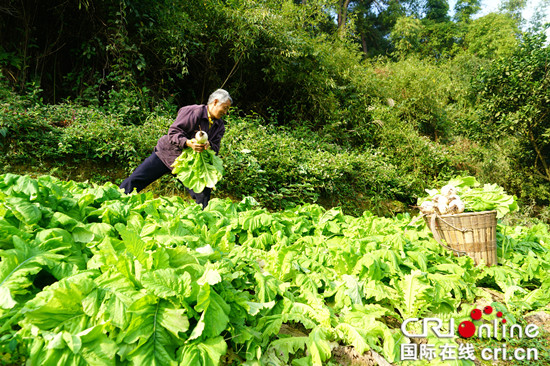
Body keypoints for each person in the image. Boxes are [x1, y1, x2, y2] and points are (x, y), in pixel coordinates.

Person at [119, 88, 232, 208]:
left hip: (187, 164)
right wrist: (188, 143)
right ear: (215, 102)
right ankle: (114, 200)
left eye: (227, 109)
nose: (225, 112)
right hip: (167, 154)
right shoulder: (193, 112)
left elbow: (216, 148)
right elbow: (173, 133)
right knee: (136, 181)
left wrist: (209, 145)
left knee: (203, 194)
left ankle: (202, 221)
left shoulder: (219, 126)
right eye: (225, 108)